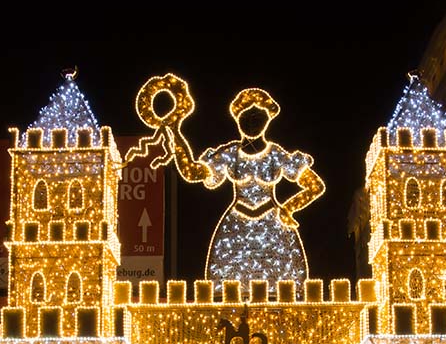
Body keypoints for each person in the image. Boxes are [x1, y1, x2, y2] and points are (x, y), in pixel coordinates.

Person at [132, 76, 324, 287]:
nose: (251, 121)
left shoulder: (275, 155)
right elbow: (192, 172)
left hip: (273, 231)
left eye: (257, 116)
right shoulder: (230, 154)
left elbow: (315, 186)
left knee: (280, 289)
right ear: (237, 119)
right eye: (246, 116)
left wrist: (289, 208)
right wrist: (175, 133)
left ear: (267, 118)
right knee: (228, 289)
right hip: (236, 229)